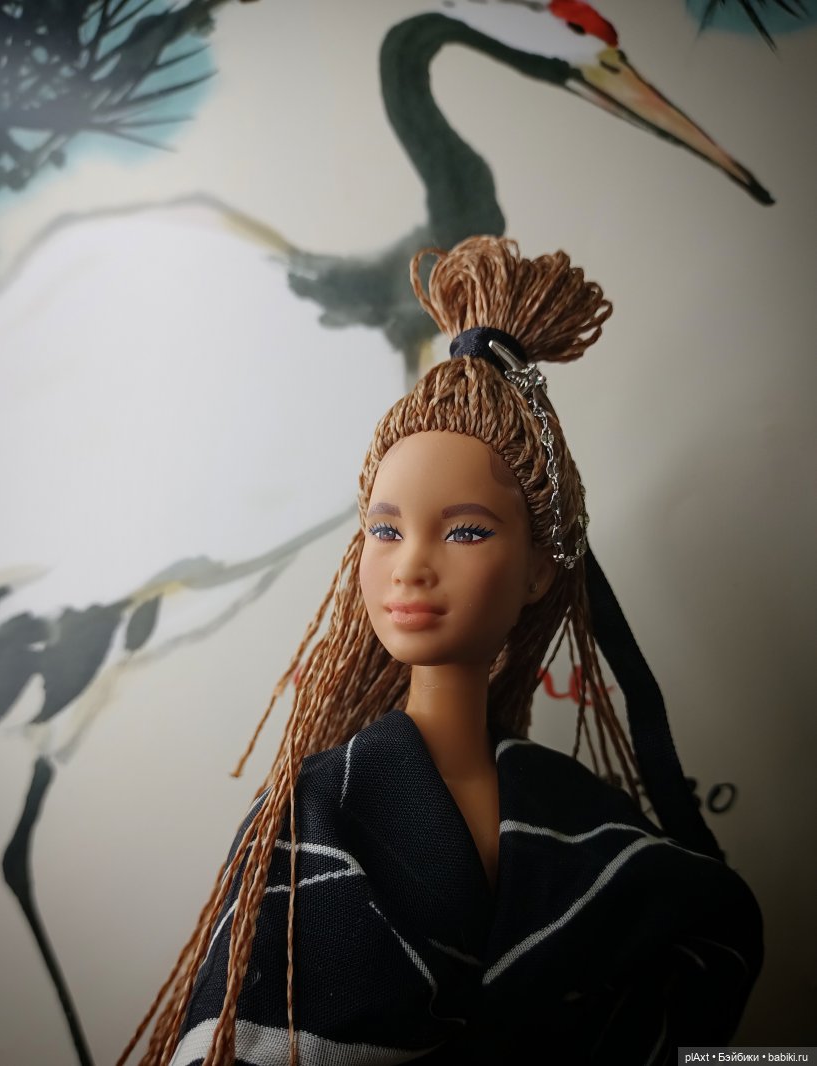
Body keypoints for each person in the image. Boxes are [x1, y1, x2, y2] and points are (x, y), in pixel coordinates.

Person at [120, 237, 762, 1066]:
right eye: (385, 530)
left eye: (465, 531)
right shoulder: (311, 813)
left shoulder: (600, 835)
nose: (410, 566)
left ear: (538, 570)